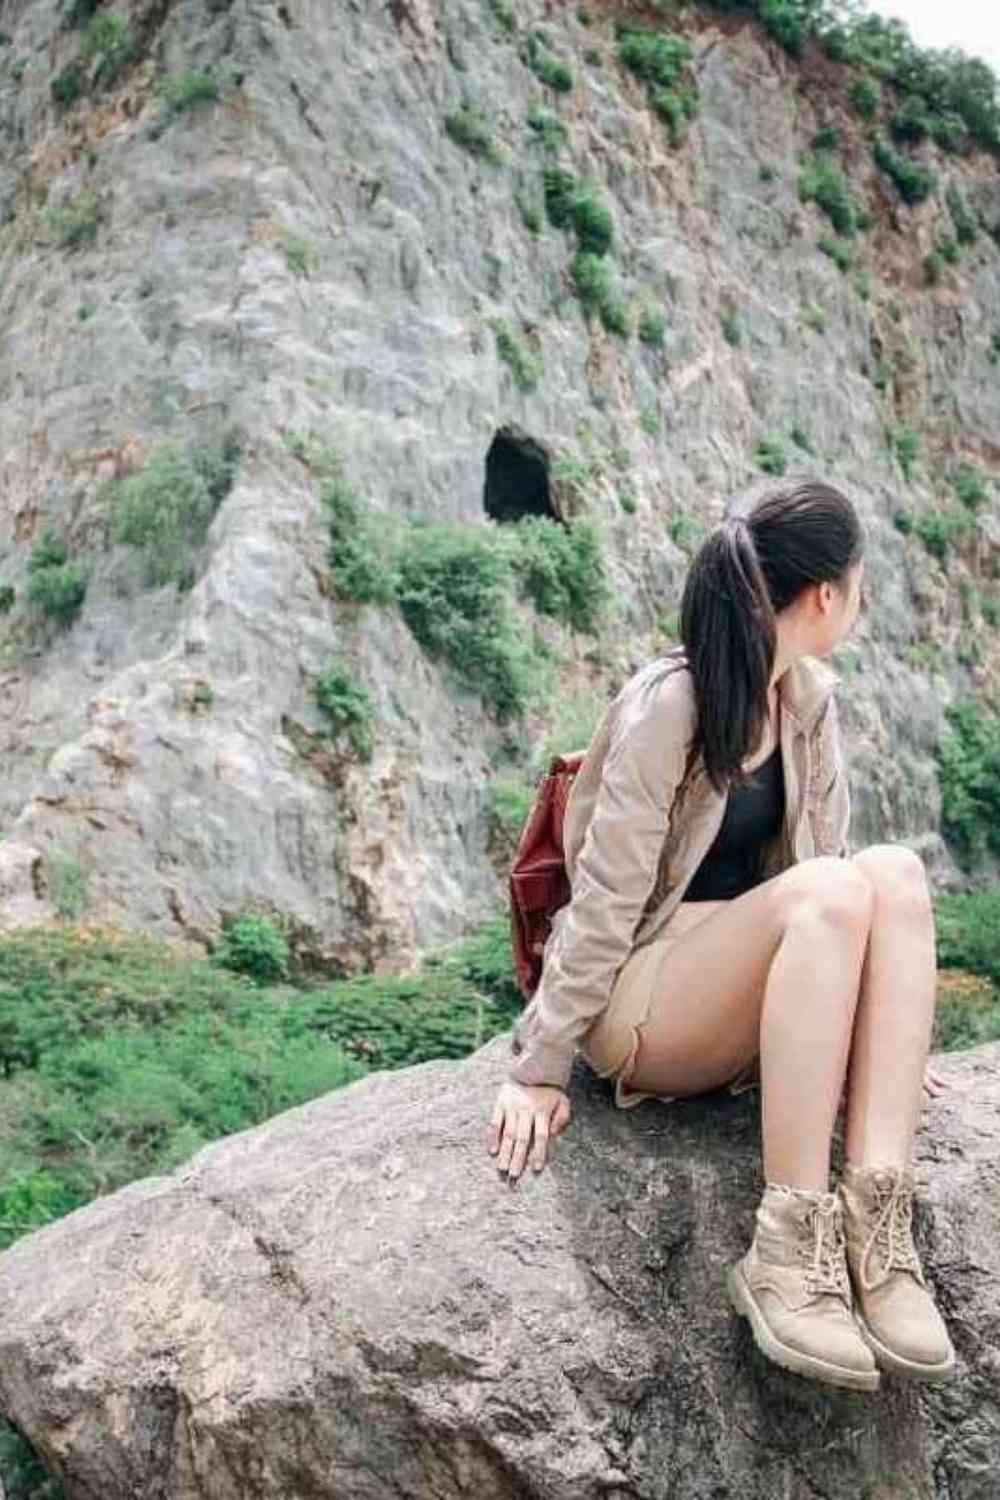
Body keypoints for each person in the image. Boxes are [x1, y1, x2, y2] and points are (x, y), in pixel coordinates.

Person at [485, 479, 955, 1391]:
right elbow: (605, 902)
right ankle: (787, 1249)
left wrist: (881, 1030)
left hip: (743, 986)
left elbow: (846, 871)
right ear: (826, 595)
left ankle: (878, 1231)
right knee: (827, 892)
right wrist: (538, 1067)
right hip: (646, 1003)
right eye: (859, 584)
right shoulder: (673, 705)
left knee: (892, 873)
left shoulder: (807, 700)